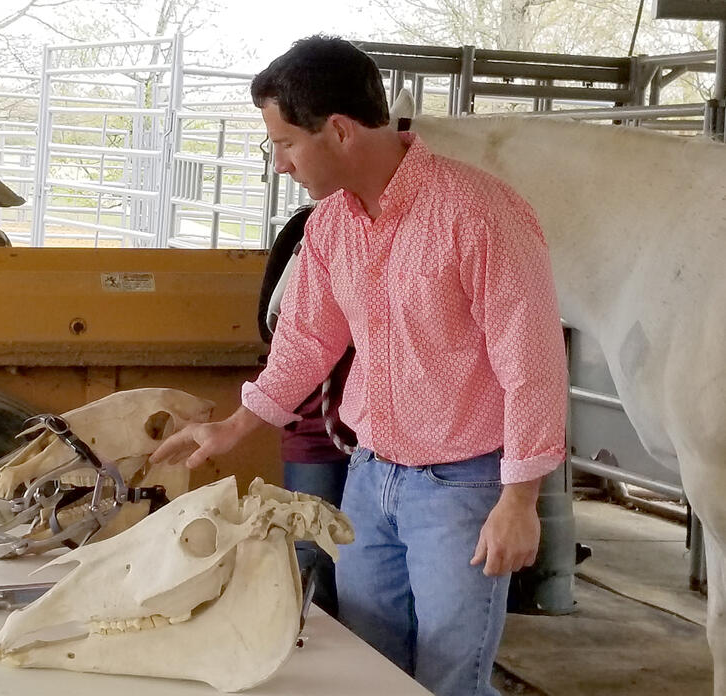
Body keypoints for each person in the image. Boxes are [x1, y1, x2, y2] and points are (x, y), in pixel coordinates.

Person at [151, 35, 567, 696]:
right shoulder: (330, 227)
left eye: (284, 143)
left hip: (461, 488)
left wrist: (520, 499)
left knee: (448, 677)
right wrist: (232, 428)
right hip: (371, 481)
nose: (280, 164)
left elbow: (534, 366)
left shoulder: (479, 216)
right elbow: (307, 344)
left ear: (338, 131)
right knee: (366, 668)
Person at [258, 204, 352, 618]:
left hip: (382, 444)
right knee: (311, 560)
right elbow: (272, 324)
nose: (282, 163)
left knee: (368, 567)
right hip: (314, 430)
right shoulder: (306, 229)